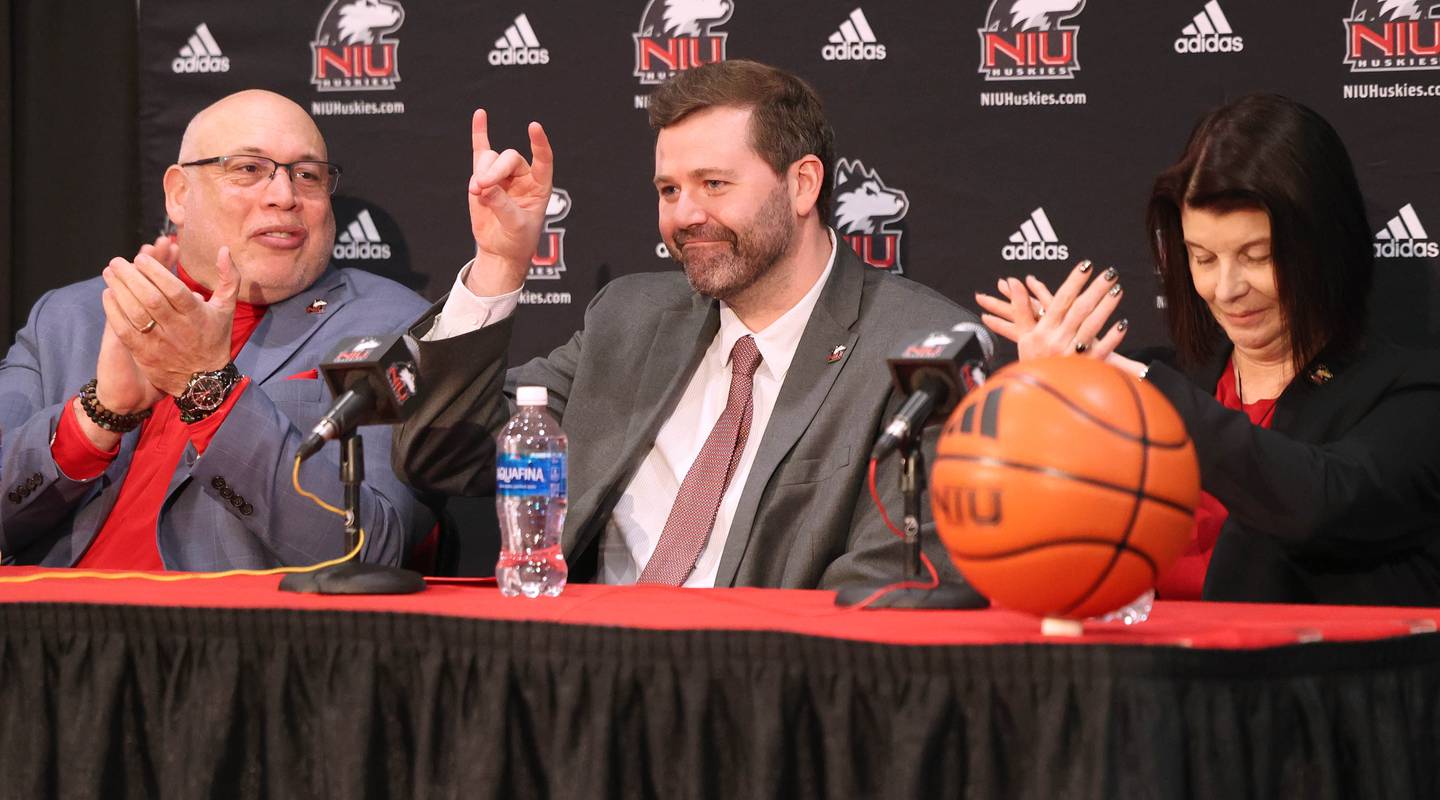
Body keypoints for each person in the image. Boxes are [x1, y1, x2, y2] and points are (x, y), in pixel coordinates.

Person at [393, 60, 979, 589]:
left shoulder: (917, 351)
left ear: (803, 185)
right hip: (582, 670)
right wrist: (500, 260)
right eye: (669, 189)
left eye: (714, 184)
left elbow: (891, 585)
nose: (685, 215)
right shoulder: (628, 318)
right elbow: (445, 455)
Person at [976, 93, 1440, 606]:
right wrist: (1045, 413)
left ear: (1326, 247)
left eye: (1257, 256)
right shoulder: (1174, 379)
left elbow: (1319, 503)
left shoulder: (1412, 394)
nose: (1226, 288)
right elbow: (1042, 561)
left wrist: (1139, 388)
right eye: (1203, 257)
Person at [0, 89, 434, 570]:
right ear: (179, 194)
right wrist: (97, 417)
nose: (284, 196)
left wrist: (210, 390)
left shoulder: (390, 325)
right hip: (43, 630)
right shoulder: (69, 318)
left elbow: (367, 550)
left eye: (307, 176)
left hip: (219, 635)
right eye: (249, 169)